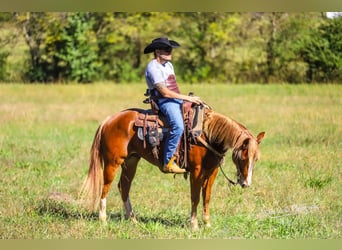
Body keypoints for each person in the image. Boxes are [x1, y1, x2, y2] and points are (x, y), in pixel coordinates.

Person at [143, 37, 202, 174]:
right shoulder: (153, 67)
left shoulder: (169, 65)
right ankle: (168, 161)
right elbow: (165, 93)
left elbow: (174, 89)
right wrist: (186, 98)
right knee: (178, 126)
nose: (170, 51)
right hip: (164, 101)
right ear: (157, 51)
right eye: (166, 49)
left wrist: (187, 100)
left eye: (170, 49)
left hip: (175, 98)